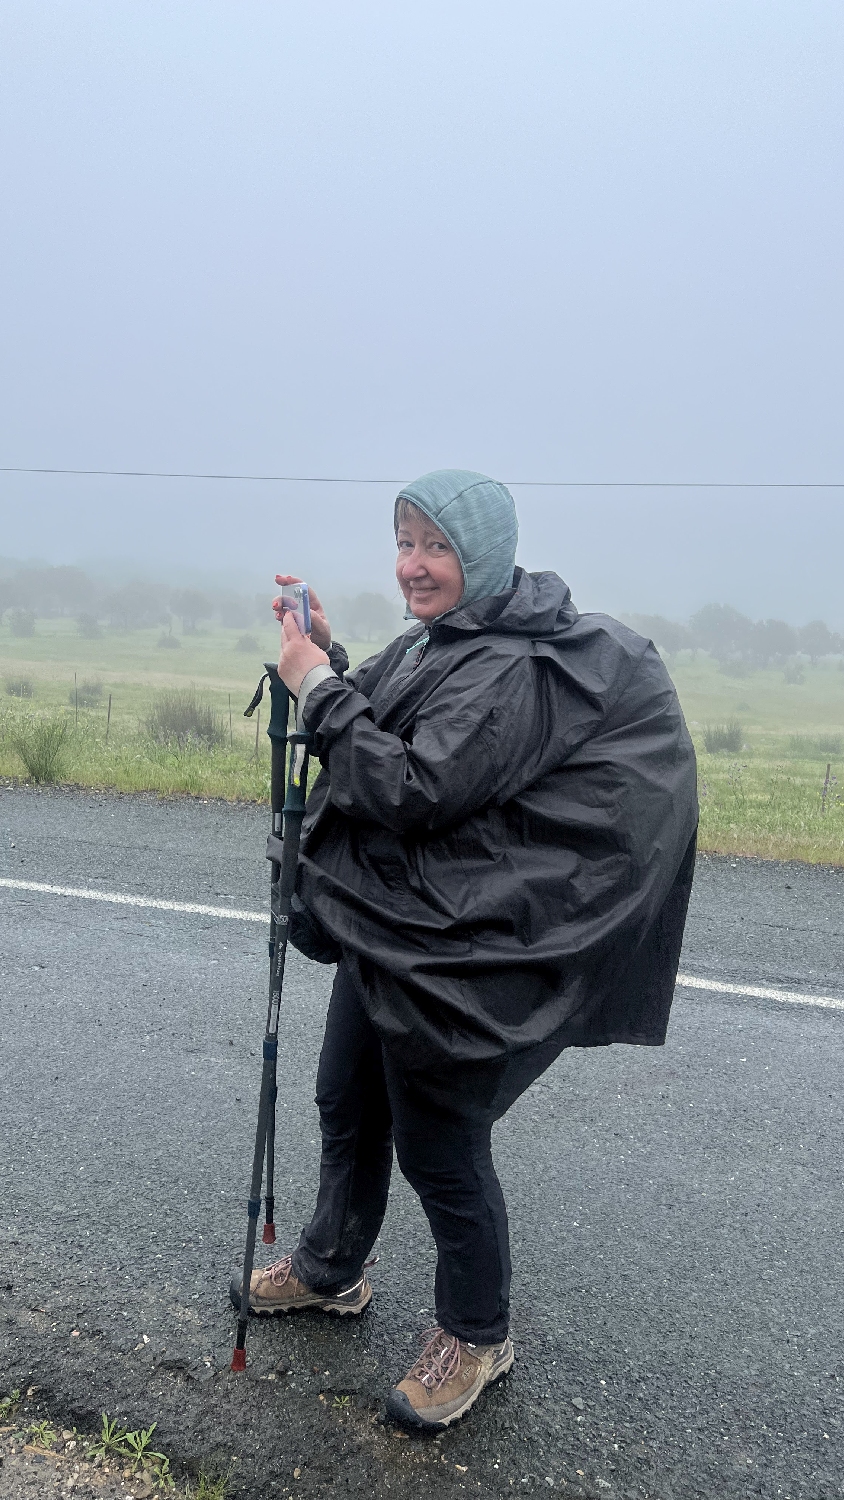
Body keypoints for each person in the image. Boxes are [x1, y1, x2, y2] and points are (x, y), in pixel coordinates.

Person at [232, 469, 698, 1430]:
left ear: (480, 554)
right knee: (346, 1100)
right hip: (395, 920)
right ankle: (330, 1269)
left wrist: (313, 687)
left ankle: (477, 1336)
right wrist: (328, 656)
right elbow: (388, 711)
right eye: (404, 543)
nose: (412, 566)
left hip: (462, 948)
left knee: (440, 1144)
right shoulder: (451, 638)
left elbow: (411, 786)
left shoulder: (516, 667)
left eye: (434, 547)